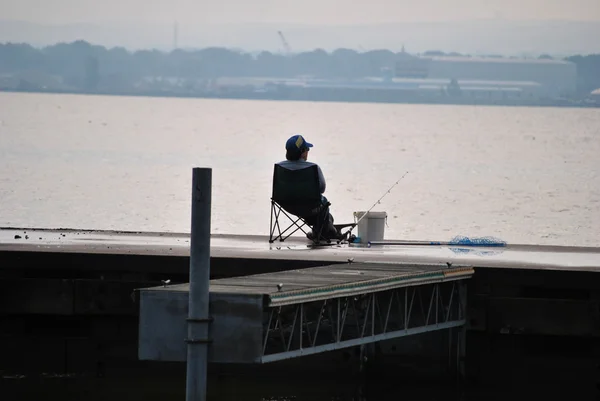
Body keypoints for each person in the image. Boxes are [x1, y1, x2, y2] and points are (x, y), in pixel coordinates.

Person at [275, 134, 342, 241]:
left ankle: (323, 228)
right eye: (307, 149)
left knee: (314, 204)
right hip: (310, 207)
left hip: (286, 206)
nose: (308, 152)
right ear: (302, 152)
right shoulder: (313, 168)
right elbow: (322, 189)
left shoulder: (279, 167)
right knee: (323, 202)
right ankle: (321, 231)